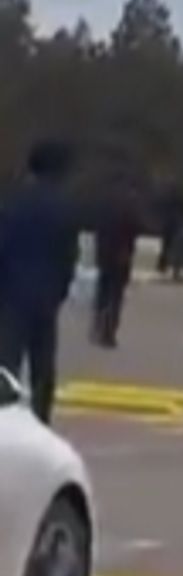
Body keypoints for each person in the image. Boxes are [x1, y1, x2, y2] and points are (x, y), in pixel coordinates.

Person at [0, 139, 80, 425]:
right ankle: (41, 418)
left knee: (7, 360)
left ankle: (5, 416)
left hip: (11, 294)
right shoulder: (66, 208)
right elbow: (69, 256)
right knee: (43, 364)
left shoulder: (13, 202)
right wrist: (60, 290)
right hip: (46, 295)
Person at [91, 174, 142, 349]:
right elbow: (135, 229)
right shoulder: (131, 206)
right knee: (116, 296)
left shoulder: (104, 204)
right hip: (122, 256)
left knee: (103, 293)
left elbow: (98, 230)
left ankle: (98, 325)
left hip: (105, 254)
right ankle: (109, 332)